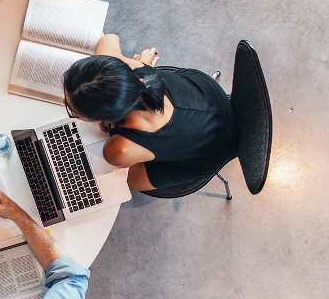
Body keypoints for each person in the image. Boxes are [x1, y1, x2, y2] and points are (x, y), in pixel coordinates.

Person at [62, 34, 237, 192]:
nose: (65, 103)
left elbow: (123, 167)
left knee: (116, 185)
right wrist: (140, 65)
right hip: (207, 96)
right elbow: (109, 39)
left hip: (211, 152)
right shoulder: (131, 67)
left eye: (73, 110)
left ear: (101, 118)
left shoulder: (118, 150)